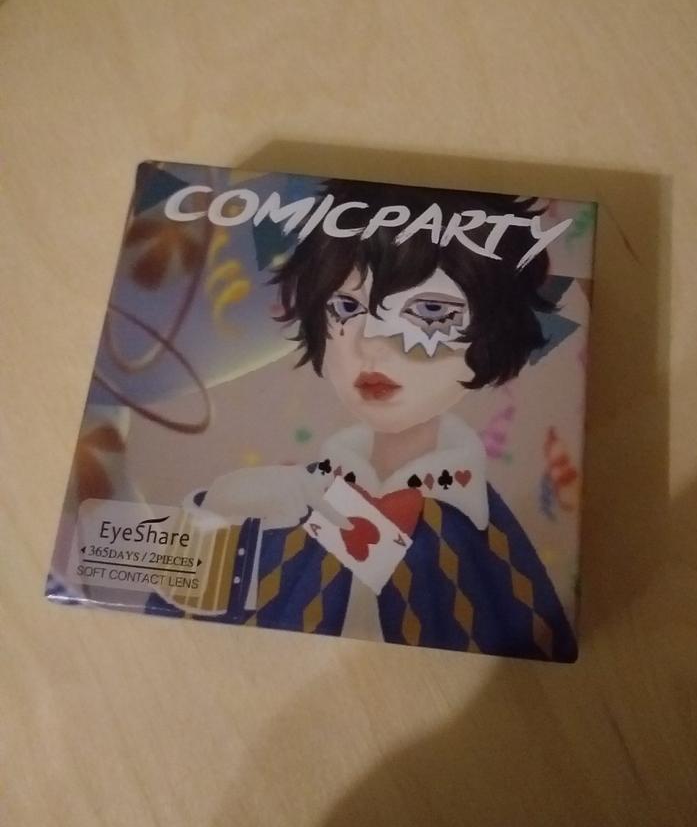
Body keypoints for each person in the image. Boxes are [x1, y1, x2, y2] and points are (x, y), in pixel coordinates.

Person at [146, 179, 578, 661]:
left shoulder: (487, 542)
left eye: (429, 310)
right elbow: (177, 642)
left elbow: (535, 654)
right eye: (347, 307)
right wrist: (216, 516)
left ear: (493, 329)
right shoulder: (278, 505)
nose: (370, 343)